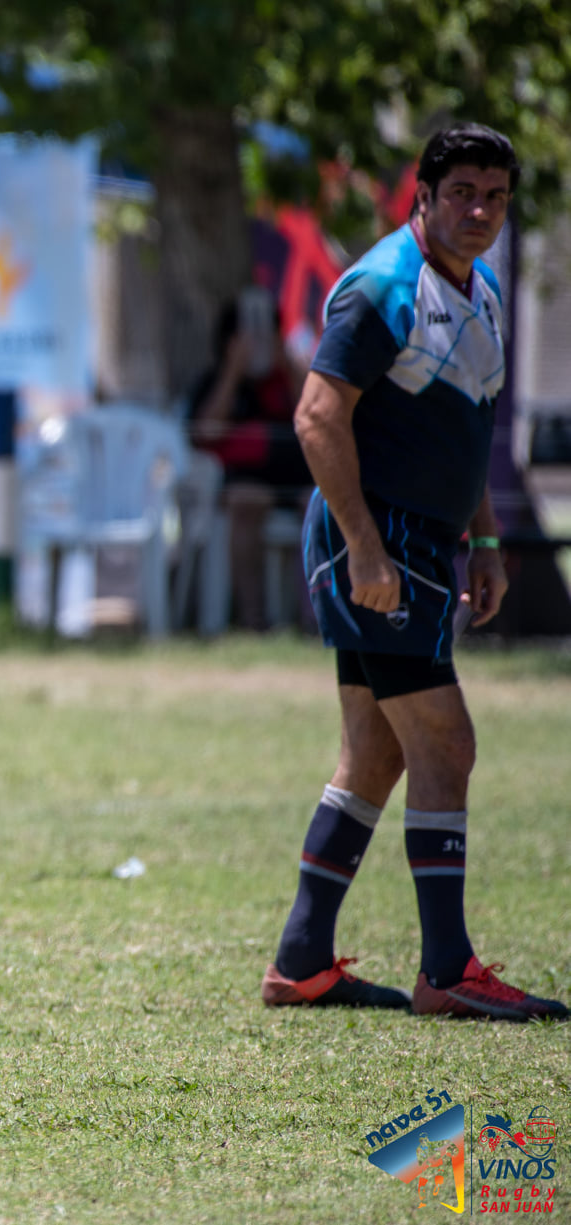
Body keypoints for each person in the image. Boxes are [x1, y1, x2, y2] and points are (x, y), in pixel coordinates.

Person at [263, 123, 565, 1020]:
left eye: (496, 197)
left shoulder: (479, 290)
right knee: (446, 741)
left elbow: (466, 427)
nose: (479, 211)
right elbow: (317, 419)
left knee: (379, 750)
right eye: (462, 193)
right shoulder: (383, 288)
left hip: (428, 544)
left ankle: (301, 961)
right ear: (422, 197)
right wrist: (362, 544)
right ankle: (446, 970)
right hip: (376, 541)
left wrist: (481, 538)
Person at [188, 291, 313, 630]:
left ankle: (315, 620)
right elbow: (204, 434)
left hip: (295, 477)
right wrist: (233, 372)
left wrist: (287, 365)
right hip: (243, 481)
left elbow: (318, 415)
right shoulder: (214, 380)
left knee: (318, 505)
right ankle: (253, 619)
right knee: (247, 502)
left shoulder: (287, 378)